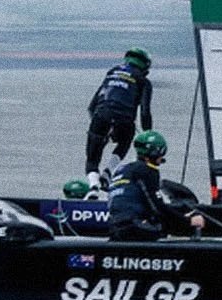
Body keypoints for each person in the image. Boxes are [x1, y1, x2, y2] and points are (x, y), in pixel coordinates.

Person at [107, 130, 205, 241]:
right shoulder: (148, 170)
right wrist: (188, 221)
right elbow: (157, 207)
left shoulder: (122, 170)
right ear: (155, 153)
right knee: (164, 226)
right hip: (134, 227)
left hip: (114, 227)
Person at [85, 47, 156, 181]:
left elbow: (92, 106)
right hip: (124, 121)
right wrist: (148, 134)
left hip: (101, 116)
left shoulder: (112, 73)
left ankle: (93, 186)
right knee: (125, 141)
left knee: (92, 161)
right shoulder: (143, 81)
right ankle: (108, 172)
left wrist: (98, 130)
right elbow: (145, 112)